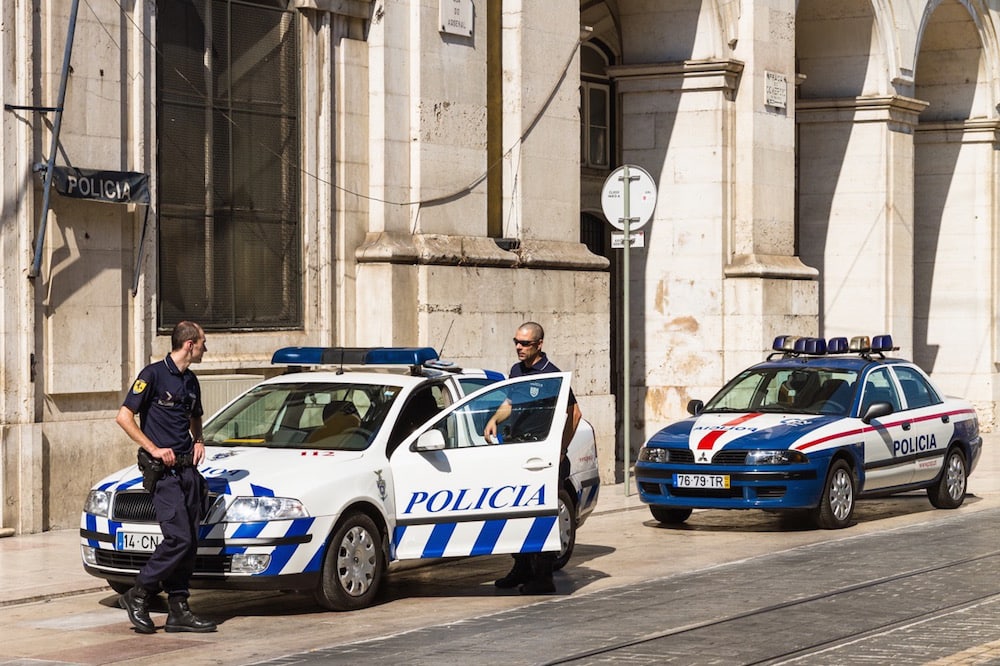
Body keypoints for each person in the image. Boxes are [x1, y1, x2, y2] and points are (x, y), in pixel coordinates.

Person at [115, 321, 217, 634]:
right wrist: (155, 448)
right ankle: (140, 593)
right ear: (189, 344)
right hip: (165, 474)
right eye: (203, 342)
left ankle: (179, 610)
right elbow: (124, 417)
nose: (205, 348)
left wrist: (198, 439)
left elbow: (195, 415)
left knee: (189, 543)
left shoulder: (191, 380)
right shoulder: (153, 375)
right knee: (178, 538)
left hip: (188, 470)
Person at [484, 322, 582, 595]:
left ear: (539, 345)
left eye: (525, 343)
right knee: (518, 513)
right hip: (518, 453)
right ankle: (522, 567)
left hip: (542, 459)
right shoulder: (517, 371)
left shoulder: (552, 376)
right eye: (516, 341)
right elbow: (509, 403)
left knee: (542, 516)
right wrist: (494, 419)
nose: (518, 347)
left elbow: (574, 415)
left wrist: (560, 450)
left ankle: (543, 576)